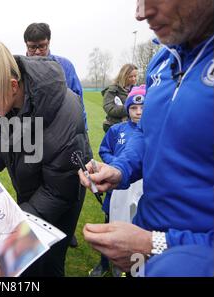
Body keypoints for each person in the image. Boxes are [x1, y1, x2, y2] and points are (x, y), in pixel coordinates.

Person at [79, 0, 214, 275]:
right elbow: (149, 136)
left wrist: (156, 243)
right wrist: (120, 169)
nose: (141, 13)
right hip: (143, 246)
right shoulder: (161, 60)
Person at [0, 39, 90, 276]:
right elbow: (10, 138)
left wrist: (14, 222)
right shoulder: (7, 98)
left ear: (13, 85)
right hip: (30, 189)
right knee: (29, 264)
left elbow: (59, 191)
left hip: (61, 197)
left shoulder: (62, 114)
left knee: (49, 263)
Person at [24, 23, 88, 249]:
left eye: (42, 46)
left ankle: (66, 230)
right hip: (33, 141)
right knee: (39, 188)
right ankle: (37, 229)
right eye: (33, 48)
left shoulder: (65, 66)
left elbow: (78, 102)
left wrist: (83, 135)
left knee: (67, 186)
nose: (38, 52)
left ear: (49, 43)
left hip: (64, 138)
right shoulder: (21, 69)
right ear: (26, 47)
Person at [89, 85, 146, 277]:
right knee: (110, 223)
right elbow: (104, 150)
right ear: (127, 109)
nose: (138, 112)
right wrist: (114, 164)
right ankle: (105, 262)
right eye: (133, 108)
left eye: (142, 108)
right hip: (117, 186)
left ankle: (133, 266)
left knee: (137, 226)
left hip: (141, 188)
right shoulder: (116, 130)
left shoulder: (153, 132)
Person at [101, 64, 139, 132]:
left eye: (135, 76)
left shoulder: (137, 90)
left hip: (132, 127)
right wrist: (129, 108)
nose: (134, 79)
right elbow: (109, 108)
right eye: (130, 76)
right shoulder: (113, 90)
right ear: (123, 76)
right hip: (114, 127)